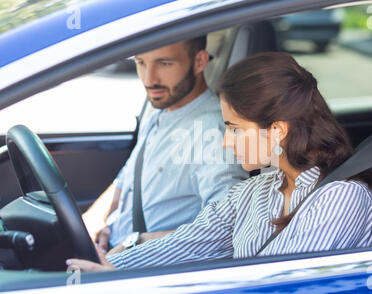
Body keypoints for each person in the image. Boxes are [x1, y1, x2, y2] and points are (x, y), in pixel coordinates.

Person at [69, 52, 372, 271]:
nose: (225, 141)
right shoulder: (257, 191)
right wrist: (110, 271)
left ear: (276, 131)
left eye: (235, 129)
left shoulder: (341, 199)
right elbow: (190, 244)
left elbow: (273, 292)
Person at [82, 36, 248, 253]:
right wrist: (94, 224)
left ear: (199, 62)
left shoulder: (210, 132)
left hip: (147, 266)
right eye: (141, 63)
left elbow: (225, 229)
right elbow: (126, 180)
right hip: (112, 246)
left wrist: (134, 242)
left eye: (165, 63)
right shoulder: (160, 112)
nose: (149, 79)